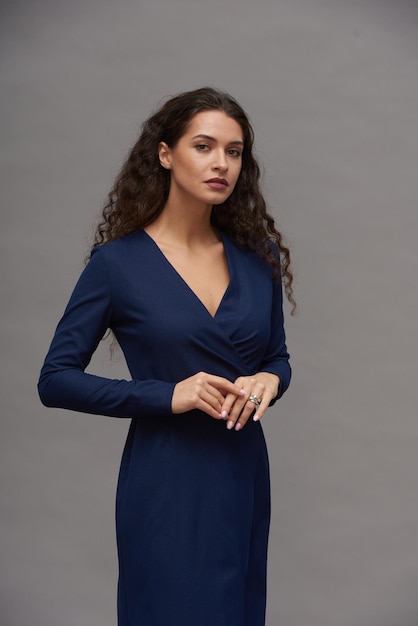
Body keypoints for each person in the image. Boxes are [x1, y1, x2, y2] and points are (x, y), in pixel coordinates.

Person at [38, 87, 295, 626]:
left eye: (234, 150)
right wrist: (167, 395)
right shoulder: (117, 264)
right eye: (203, 146)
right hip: (167, 480)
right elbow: (55, 379)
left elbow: (277, 357)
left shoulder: (258, 257)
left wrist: (272, 379)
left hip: (241, 471)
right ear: (164, 153)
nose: (221, 163)